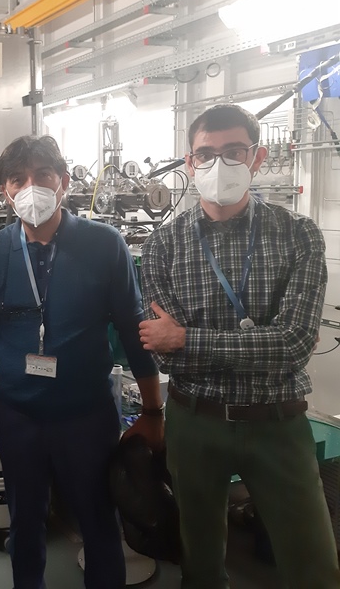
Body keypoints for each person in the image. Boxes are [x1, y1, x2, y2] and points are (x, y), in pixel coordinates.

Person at [140, 103, 340, 589]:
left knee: (313, 565)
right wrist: (261, 344)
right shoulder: (164, 245)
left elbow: (294, 344)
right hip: (194, 421)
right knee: (200, 564)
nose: (219, 164)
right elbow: (162, 353)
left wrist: (188, 338)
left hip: (277, 422)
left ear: (257, 157)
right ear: (190, 163)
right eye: (206, 154)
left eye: (234, 151)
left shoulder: (298, 235)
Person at [0, 135, 161, 589]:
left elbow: (133, 329)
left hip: (86, 415)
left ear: (64, 183)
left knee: (99, 521)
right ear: (5, 191)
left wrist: (153, 410)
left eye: (43, 176)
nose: (30, 188)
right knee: (25, 524)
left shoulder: (104, 244)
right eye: (18, 180)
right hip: (18, 416)